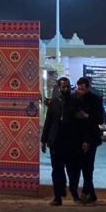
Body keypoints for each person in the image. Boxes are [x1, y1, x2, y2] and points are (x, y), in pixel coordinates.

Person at [41, 77, 80, 205]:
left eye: (68, 87)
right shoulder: (54, 103)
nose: (66, 89)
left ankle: (74, 193)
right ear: (59, 87)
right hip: (56, 142)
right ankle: (58, 196)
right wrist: (44, 140)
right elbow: (48, 121)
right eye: (63, 87)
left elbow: (80, 123)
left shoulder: (75, 102)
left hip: (71, 142)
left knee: (73, 170)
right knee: (57, 171)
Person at [73, 76, 105, 205]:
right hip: (77, 137)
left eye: (82, 89)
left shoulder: (95, 100)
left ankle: (86, 192)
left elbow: (99, 119)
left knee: (88, 166)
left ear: (87, 88)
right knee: (81, 165)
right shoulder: (75, 98)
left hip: (91, 137)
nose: (80, 91)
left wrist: (87, 116)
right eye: (78, 89)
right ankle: (91, 193)